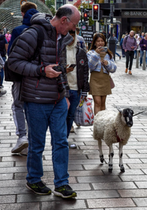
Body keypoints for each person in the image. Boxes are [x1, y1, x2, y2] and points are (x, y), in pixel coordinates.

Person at [8, 4, 80, 198]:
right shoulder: (34, 34)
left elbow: (62, 68)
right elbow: (13, 62)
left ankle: (62, 184)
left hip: (57, 100)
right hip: (36, 99)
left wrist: (64, 94)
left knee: (61, 142)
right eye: (74, 24)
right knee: (37, 143)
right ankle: (33, 179)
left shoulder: (63, 38)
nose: (74, 28)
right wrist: (41, 70)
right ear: (64, 20)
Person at [7, 1, 39, 155]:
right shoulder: (43, 30)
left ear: (22, 14)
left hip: (20, 76)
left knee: (18, 105)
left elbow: (11, 55)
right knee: (32, 107)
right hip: (38, 76)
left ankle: (22, 137)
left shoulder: (18, 30)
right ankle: (32, 140)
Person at [65, 30, 90, 138]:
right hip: (63, 89)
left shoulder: (80, 52)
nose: (70, 39)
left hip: (76, 89)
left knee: (71, 115)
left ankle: (64, 138)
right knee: (61, 115)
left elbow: (85, 72)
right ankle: (60, 139)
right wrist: (63, 70)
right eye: (68, 36)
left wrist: (84, 90)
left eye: (72, 36)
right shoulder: (60, 51)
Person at [88, 33, 117, 115]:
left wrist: (107, 63)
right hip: (95, 79)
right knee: (97, 102)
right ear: (94, 43)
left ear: (105, 42)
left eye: (102, 41)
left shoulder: (108, 54)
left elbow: (114, 69)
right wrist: (96, 54)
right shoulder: (90, 53)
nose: (100, 43)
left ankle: (102, 123)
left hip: (105, 79)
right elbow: (90, 66)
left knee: (103, 103)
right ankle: (97, 123)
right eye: (98, 41)